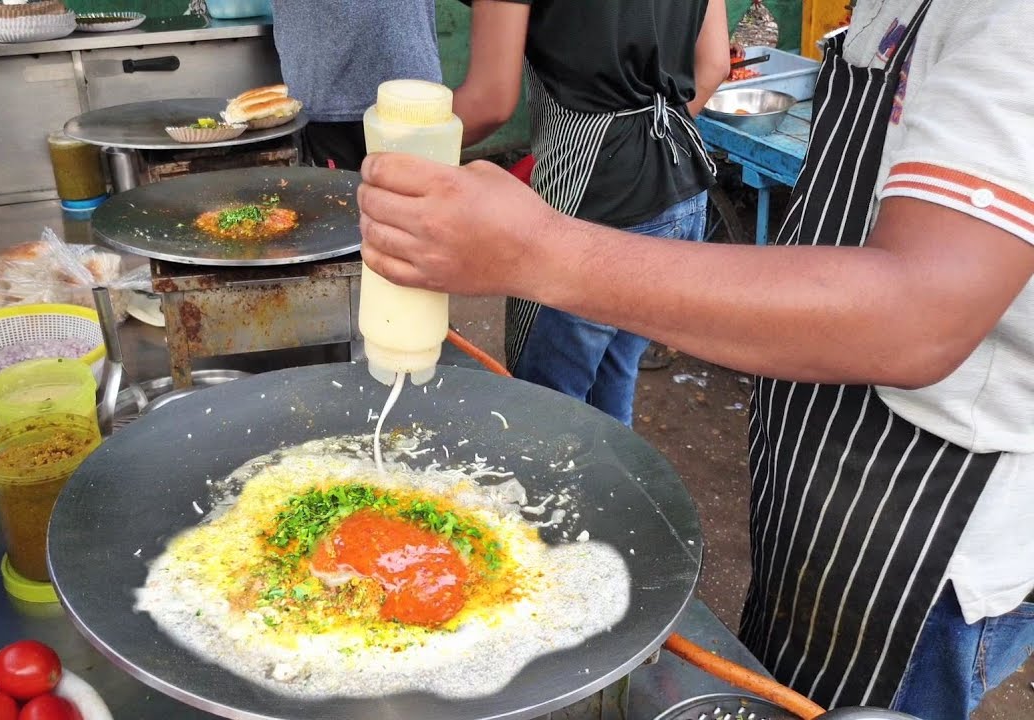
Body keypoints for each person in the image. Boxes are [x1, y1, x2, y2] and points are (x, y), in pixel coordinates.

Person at [356, 0, 1034, 716]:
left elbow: (920, 316)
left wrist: (537, 250)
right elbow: (710, 68)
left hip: (927, 528)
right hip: (810, 446)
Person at [447, 0, 730, 426]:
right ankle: (618, 491)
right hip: (679, 187)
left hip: (588, 199)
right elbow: (714, 64)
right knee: (613, 379)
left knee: (545, 415)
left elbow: (489, 102)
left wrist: (385, 144)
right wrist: (641, 137)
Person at [270, 0, 440, 171]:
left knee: (411, 193)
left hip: (415, 104)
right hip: (323, 112)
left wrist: (469, 94)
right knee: (335, 196)